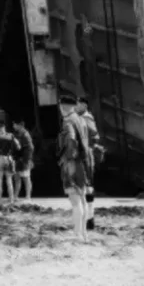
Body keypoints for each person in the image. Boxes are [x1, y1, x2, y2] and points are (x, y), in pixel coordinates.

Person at [57, 96, 91, 242]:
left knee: (75, 201)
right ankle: (83, 232)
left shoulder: (68, 121)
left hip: (71, 162)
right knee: (82, 199)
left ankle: (77, 234)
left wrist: (67, 157)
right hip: (81, 163)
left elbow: (71, 139)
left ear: (63, 107)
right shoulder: (81, 119)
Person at [77, 97, 100, 230]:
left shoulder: (87, 118)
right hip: (81, 154)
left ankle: (89, 218)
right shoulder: (79, 118)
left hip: (85, 154)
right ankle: (87, 218)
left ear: (84, 105)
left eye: (78, 104)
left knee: (87, 185)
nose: (76, 107)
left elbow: (95, 136)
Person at [11, 118, 34, 200]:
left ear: (20, 125)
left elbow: (30, 148)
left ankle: (28, 196)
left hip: (24, 160)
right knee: (17, 178)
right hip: (17, 159)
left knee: (26, 178)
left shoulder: (25, 135)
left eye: (14, 124)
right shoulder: (17, 134)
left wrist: (25, 160)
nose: (13, 126)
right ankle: (15, 196)